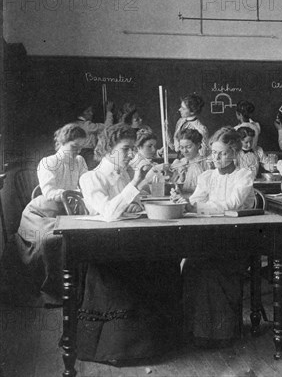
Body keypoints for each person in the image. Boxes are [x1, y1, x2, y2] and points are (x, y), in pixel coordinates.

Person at [77, 123, 180, 363]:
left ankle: (159, 340)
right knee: (149, 267)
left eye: (133, 149)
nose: (132, 154)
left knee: (167, 262)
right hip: (103, 251)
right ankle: (126, 348)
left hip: (126, 244)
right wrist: (135, 184)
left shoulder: (123, 175)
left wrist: (136, 196)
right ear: (107, 150)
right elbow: (109, 214)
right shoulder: (90, 177)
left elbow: (126, 206)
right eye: (126, 149)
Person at [172, 127, 254, 348]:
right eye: (214, 153)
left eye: (224, 153)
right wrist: (182, 200)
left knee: (210, 268)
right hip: (211, 239)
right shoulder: (206, 175)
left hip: (237, 240)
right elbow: (195, 203)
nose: (217, 158)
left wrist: (195, 205)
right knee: (191, 265)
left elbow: (231, 205)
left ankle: (222, 333)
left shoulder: (243, 176)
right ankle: (197, 331)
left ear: (235, 153)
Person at [15, 123, 88, 306]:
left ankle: (79, 290)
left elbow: (86, 183)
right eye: (74, 146)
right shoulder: (48, 162)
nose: (77, 151)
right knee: (51, 241)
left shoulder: (79, 161)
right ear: (63, 141)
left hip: (69, 210)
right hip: (41, 212)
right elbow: (49, 192)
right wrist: (72, 193)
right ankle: (53, 293)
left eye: (80, 147)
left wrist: (85, 192)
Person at [168, 94, 210, 170]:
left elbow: (203, 153)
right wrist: (166, 131)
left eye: (183, 108)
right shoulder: (180, 122)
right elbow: (176, 147)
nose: (179, 109)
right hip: (180, 162)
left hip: (192, 165)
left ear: (192, 112)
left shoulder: (201, 129)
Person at [75, 101, 114, 168]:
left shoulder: (75, 124)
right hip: (87, 153)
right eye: (88, 111)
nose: (92, 113)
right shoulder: (88, 126)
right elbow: (107, 127)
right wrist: (109, 111)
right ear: (82, 113)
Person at [169, 128, 206, 196]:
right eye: (182, 148)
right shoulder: (181, 162)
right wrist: (181, 178)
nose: (185, 151)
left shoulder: (205, 163)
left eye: (188, 147)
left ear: (198, 145)